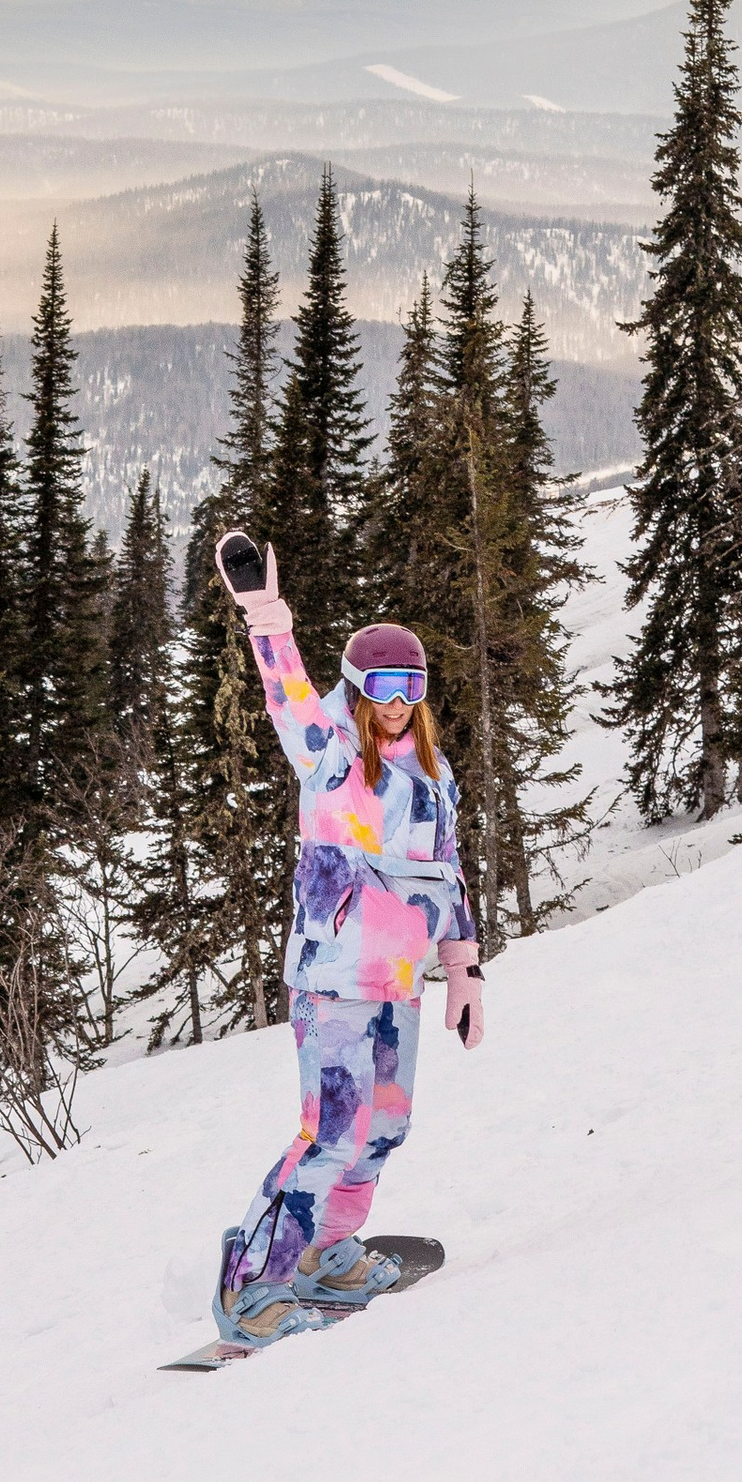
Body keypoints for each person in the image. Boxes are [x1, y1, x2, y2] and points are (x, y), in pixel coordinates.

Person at [206, 530, 484, 1348]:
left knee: (383, 1129)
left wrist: (463, 969)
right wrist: (269, 621)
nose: (397, 701)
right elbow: (288, 700)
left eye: (411, 686)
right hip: (334, 976)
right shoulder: (330, 756)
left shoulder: (431, 774)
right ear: (357, 687)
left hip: (399, 979)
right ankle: (252, 1285)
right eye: (383, 686)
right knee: (329, 1135)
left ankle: (326, 1255)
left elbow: (448, 869)